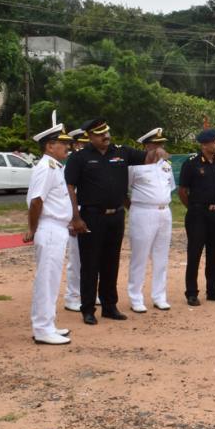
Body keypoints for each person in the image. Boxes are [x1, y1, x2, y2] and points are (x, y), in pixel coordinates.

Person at [64, 119, 153, 326]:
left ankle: (110, 306)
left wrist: (155, 149)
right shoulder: (80, 157)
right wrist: (75, 217)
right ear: (89, 136)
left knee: (111, 262)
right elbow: (69, 186)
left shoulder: (122, 152)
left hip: (116, 216)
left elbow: (148, 158)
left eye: (107, 132)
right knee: (90, 264)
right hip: (91, 215)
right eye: (100, 134)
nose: (106, 136)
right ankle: (87, 309)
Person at [24, 117, 75, 345]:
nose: (67, 146)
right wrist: (32, 229)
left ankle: (48, 324)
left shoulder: (55, 166)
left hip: (57, 228)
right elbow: (36, 201)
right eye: (62, 142)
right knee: (46, 280)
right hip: (49, 228)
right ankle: (43, 329)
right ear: (49, 146)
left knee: (52, 280)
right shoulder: (46, 167)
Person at [178, 128, 215, 306]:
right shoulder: (191, 163)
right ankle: (191, 292)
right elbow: (183, 191)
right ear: (204, 144)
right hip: (198, 214)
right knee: (195, 253)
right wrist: (194, 207)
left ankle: (213, 290)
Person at [127, 128, 173, 313]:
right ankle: (135, 297)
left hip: (164, 212)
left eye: (162, 144)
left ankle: (159, 296)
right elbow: (123, 189)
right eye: (157, 144)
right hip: (142, 211)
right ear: (147, 146)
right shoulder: (134, 166)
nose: (161, 148)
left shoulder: (166, 165)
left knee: (161, 257)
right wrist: (133, 208)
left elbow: (170, 187)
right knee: (140, 256)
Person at [63, 128, 87, 312]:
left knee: (93, 256)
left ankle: (89, 293)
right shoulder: (70, 163)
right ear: (76, 144)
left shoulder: (91, 161)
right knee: (76, 258)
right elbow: (66, 194)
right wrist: (71, 218)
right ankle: (72, 296)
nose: (85, 147)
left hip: (92, 210)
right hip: (75, 211)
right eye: (83, 144)